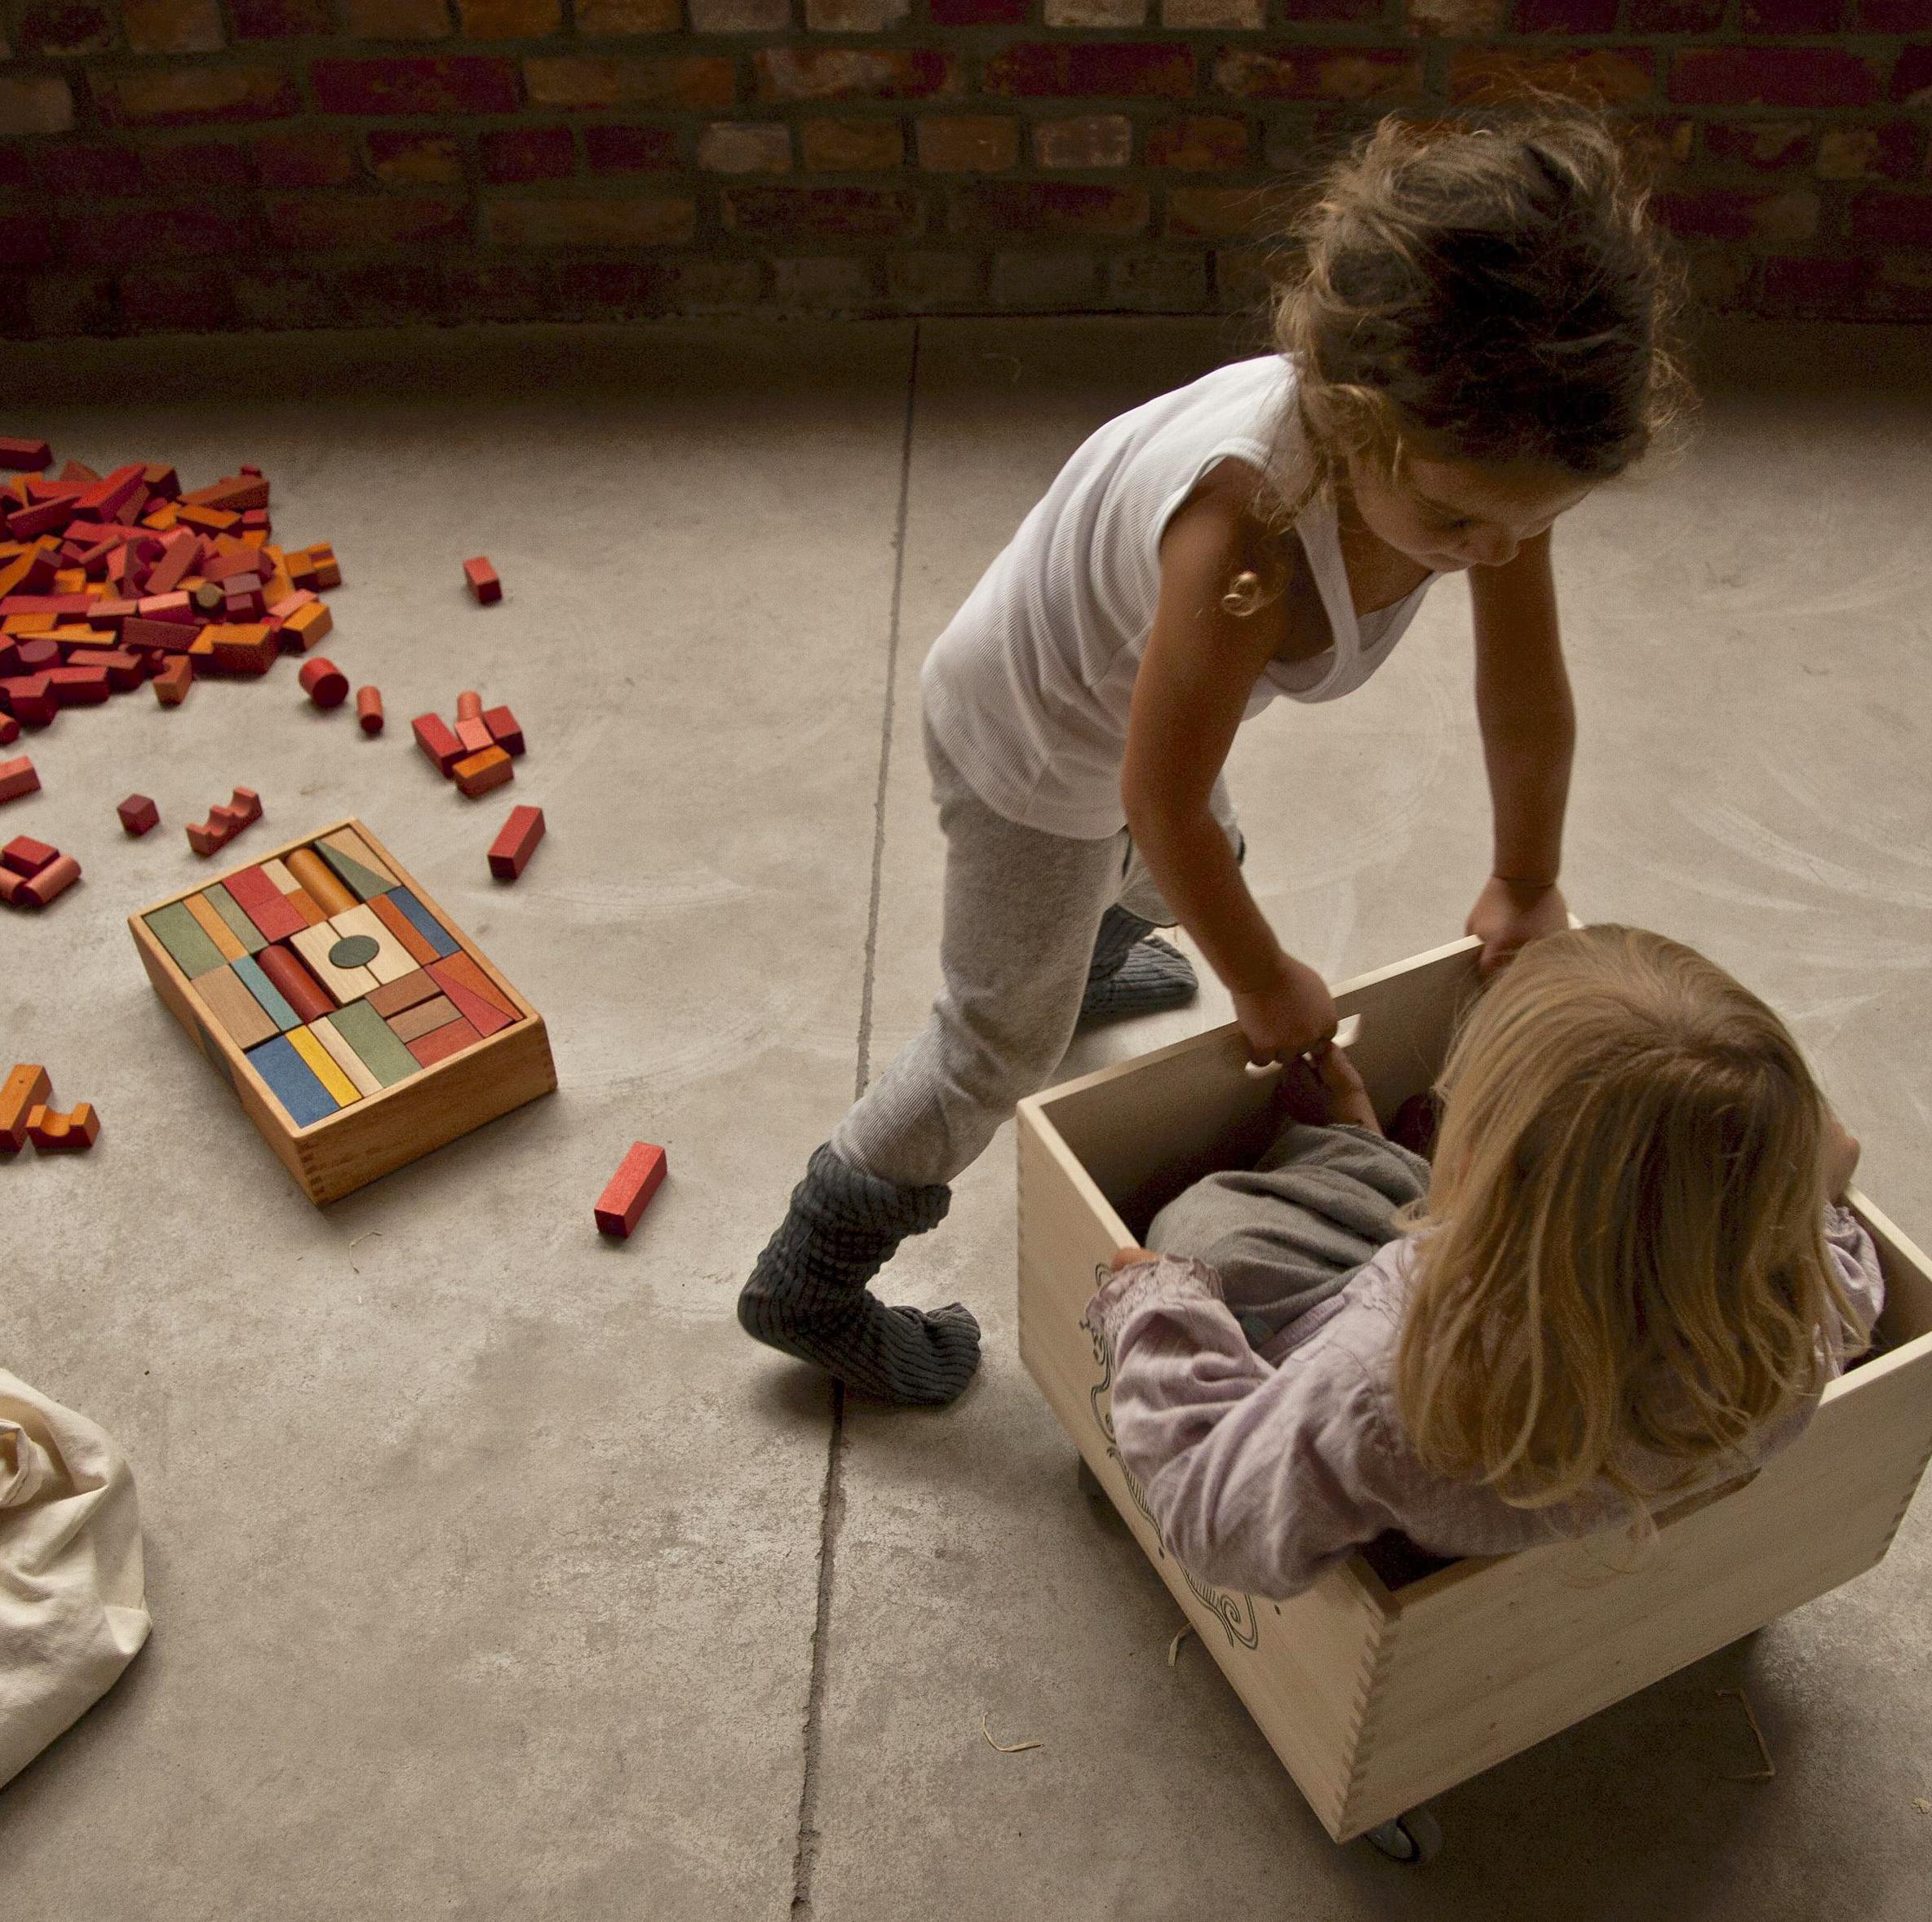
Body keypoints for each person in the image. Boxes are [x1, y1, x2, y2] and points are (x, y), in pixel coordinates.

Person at [741, 109, 1690, 1406]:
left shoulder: (1488, 472)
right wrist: (1266, 982)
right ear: (1352, 416)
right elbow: (1155, 796)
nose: (1493, 550)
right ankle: (813, 1274)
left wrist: (1527, 877)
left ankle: (1088, 949)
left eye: (1529, 523)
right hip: (1033, 735)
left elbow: (1522, 695)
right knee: (1000, 1038)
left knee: (1197, 863)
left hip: (1145, 706)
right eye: (1458, 520)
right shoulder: (1245, 529)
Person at [1085, 928, 1884, 1599]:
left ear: (1469, 1172)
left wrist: (1159, 1306)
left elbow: (1215, 1519)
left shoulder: (1391, 1379)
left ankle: (1364, 1159)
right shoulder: (1793, 1323)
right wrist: (1810, 1199)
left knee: (1205, 1234)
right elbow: (1834, 1209)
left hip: (1387, 1404)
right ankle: (1371, 1161)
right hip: (1504, 1423)